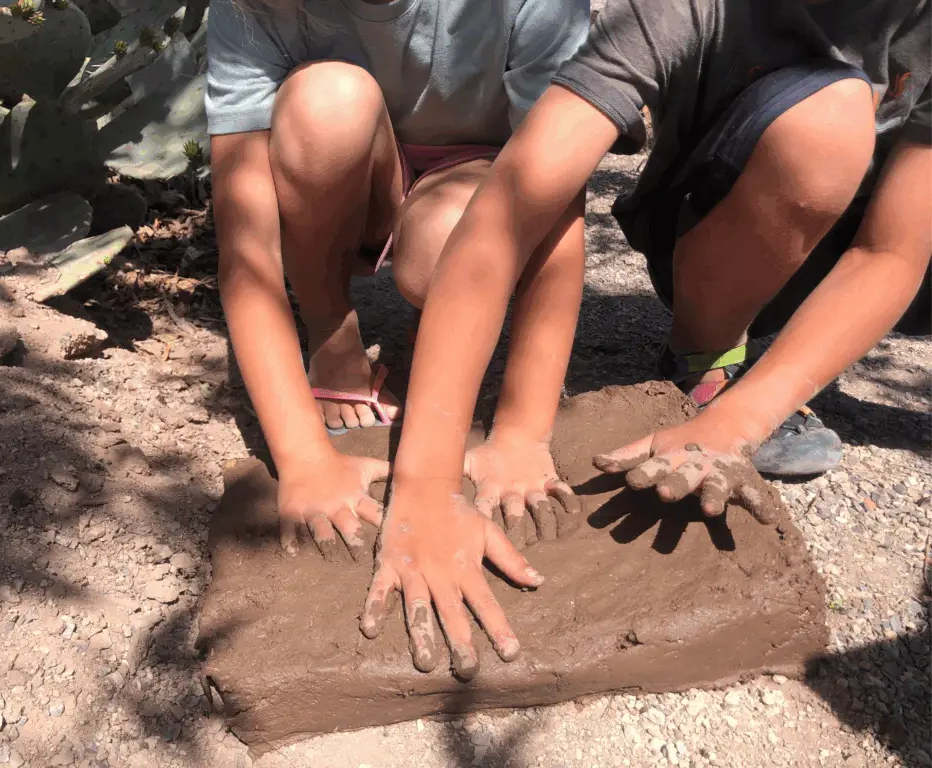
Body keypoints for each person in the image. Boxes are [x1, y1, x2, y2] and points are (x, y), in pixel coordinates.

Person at [360, 0, 931, 679]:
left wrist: (738, 423)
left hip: (868, 248)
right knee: (831, 117)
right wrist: (427, 482)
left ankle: (749, 379)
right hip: (729, 223)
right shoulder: (690, 9)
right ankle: (709, 354)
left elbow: (890, 257)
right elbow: (512, 207)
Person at [205, 0, 589, 556]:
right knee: (327, 102)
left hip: (481, 173)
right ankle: (331, 329)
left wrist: (522, 432)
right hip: (349, 163)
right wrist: (303, 459)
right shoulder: (254, 7)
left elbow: (556, 193)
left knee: (446, 249)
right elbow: (245, 250)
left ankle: (437, 320)